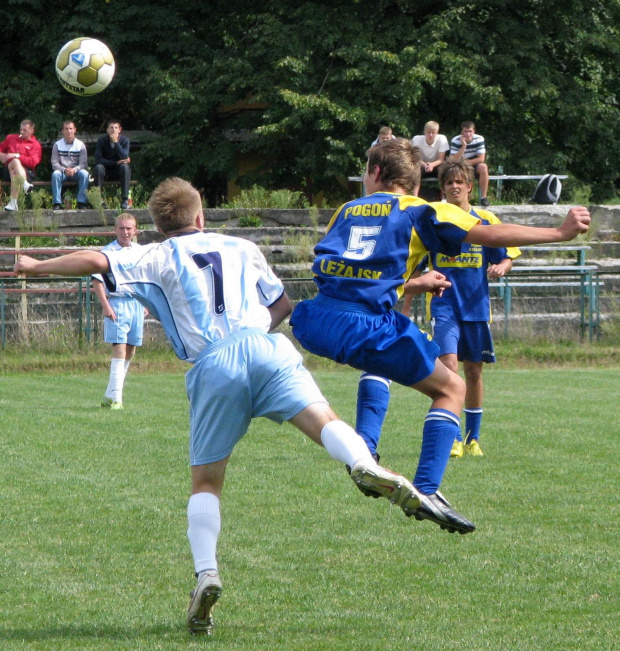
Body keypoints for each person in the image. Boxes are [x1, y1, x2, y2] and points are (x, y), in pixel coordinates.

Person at [14, 176, 428, 636]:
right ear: (200, 216)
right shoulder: (241, 245)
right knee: (324, 419)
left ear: (157, 224)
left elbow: (95, 259)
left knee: (207, 481)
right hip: (266, 347)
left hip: (214, 363)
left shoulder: (155, 254)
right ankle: (362, 462)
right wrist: (253, 332)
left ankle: (207, 573)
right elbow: (283, 303)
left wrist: (33, 264)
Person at [290, 138, 590, 535]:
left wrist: (414, 284)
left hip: (316, 321)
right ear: (414, 183)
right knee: (451, 388)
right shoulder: (421, 210)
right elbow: (490, 234)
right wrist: (558, 232)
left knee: (376, 362)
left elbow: (350, 277)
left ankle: (364, 450)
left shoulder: (345, 211)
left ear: (375, 173)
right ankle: (427, 489)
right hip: (367, 325)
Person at [406, 160, 521, 458]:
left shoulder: (483, 219)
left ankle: (474, 438)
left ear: (470, 186)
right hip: (444, 306)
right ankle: (454, 437)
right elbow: (413, 269)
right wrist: (405, 308)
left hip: (477, 307)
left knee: (474, 372)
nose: (454, 186)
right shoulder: (434, 221)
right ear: (442, 188)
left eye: (460, 182)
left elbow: (506, 254)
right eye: (448, 183)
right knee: (449, 368)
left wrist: (502, 266)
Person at [92, 213, 146, 410]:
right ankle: (117, 398)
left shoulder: (140, 251)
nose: (125, 232)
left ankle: (110, 394)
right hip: (117, 303)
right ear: (115, 230)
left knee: (131, 349)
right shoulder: (107, 252)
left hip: (136, 304)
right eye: (122, 228)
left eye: (129, 228)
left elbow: (145, 280)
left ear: (135, 230)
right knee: (119, 348)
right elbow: (97, 281)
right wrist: (106, 305)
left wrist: (146, 303)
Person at [0, 119, 42, 212]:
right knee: (14, 162)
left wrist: (17, 156)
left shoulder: (35, 145)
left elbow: (33, 162)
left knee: (15, 166)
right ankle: (25, 184)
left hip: (27, 172)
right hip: (8, 169)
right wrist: (2, 156)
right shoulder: (11, 138)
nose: (22, 132)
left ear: (32, 131)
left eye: (25, 130)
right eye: (21, 130)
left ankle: (13, 203)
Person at [50, 120, 90, 210]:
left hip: (76, 172)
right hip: (62, 172)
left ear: (75, 130)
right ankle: (57, 203)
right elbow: (54, 163)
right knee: (55, 174)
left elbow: (83, 163)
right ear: (63, 131)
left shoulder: (80, 145)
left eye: (71, 129)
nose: (69, 131)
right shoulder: (57, 145)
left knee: (85, 174)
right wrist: (64, 170)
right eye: (66, 129)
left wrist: (74, 170)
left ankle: (81, 202)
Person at [449, 120, 490, 207]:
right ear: (462, 132)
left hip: (471, 164)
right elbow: (452, 159)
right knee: (451, 170)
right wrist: (463, 146)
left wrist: (465, 163)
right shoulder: (455, 140)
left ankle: (483, 198)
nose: (468, 134)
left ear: (474, 131)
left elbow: (481, 159)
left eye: (470, 131)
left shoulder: (479, 139)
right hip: (459, 166)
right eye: (465, 131)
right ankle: (454, 199)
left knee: (483, 167)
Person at [92, 119, 131, 209]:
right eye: (111, 128)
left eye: (116, 127)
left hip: (119, 171)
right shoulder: (101, 141)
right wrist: (116, 163)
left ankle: (125, 200)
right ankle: (99, 200)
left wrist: (116, 142)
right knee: (98, 168)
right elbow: (98, 160)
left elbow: (124, 156)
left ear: (119, 130)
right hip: (105, 171)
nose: (113, 130)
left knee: (125, 167)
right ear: (107, 130)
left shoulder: (125, 141)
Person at [411, 120, 450, 197]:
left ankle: (444, 195)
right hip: (421, 164)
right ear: (424, 132)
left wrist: (432, 165)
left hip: (437, 165)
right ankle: (414, 196)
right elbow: (415, 158)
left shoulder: (442, 139)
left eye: (433, 132)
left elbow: (441, 159)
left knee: (445, 170)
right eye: (428, 132)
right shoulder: (416, 139)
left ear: (437, 132)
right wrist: (425, 165)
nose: (431, 135)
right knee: (415, 170)